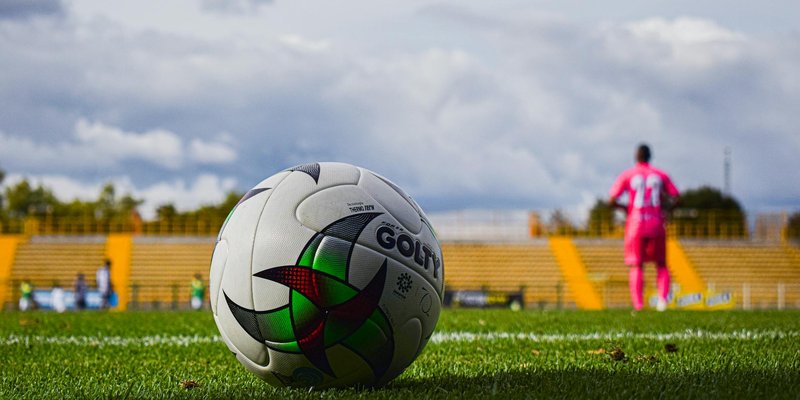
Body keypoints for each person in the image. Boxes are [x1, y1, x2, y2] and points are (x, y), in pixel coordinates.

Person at [609, 144, 679, 311]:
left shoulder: (628, 174)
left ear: (636, 156)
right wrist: (665, 211)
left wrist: (626, 209)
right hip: (656, 223)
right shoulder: (660, 175)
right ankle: (662, 302)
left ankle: (639, 305)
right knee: (661, 264)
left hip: (635, 225)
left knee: (637, 265)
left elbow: (611, 200)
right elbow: (676, 197)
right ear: (650, 156)